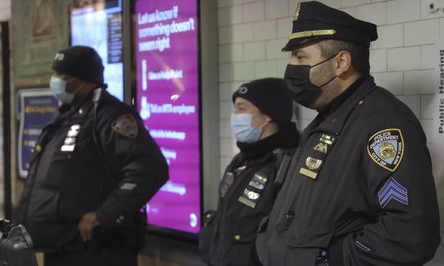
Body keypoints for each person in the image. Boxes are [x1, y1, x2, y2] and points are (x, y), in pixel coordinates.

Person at [255, 1, 441, 266]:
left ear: (341, 62)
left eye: (300, 57)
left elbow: (410, 234)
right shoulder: (328, 119)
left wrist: (329, 259)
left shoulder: (381, 123)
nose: (292, 66)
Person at [13, 46, 169, 266]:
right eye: (55, 74)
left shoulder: (109, 116)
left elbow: (150, 169)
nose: (55, 81)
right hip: (61, 246)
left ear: (82, 80)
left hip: (97, 249)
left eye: (62, 76)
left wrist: (103, 216)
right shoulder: (66, 116)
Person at [199, 78, 299, 266]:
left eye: (242, 108)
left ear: (268, 115)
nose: (234, 115)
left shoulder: (287, 164)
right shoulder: (243, 159)